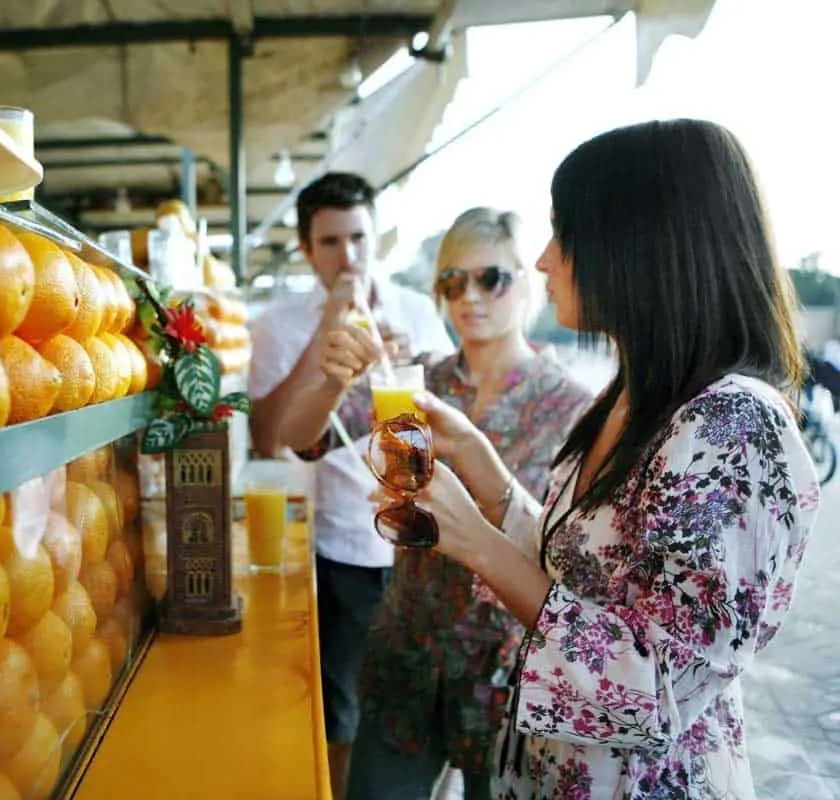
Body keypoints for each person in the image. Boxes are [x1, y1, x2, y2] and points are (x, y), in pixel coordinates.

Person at [374, 119, 819, 797]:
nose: (545, 260)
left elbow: (660, 682)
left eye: (564, 233)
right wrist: (484, 466)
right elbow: (583, 573)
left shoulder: (734, 426)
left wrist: (474, 544)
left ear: (641, 245)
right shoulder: (635, 396)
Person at [336, 208, 592, 799]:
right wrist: (337, 369)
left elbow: (576, 553)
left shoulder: (573, 407)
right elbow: (303, 438)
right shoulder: (415, 384)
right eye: (452, 281)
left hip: (507, 672)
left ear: (525, 282)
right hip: (407, 652)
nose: (469, 296)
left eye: (490, 278)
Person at [248, 172, 454, 798]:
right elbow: (266, 437)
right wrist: (328, 335)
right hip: (343, 544)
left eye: (359, 238)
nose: (349, 257)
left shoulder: (418, 312)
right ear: (308, 250)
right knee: (342, 709)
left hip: (428, 544)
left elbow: (459, 415)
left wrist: (402, 371)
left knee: (429, 705)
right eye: (332, 242)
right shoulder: (279, 324)